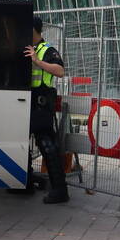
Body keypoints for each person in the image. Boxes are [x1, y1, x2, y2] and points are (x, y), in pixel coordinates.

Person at [25, 16, 68, 204]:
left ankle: (60, 190)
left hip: (41, 104)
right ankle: (24, 183)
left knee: (47, 146)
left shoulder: (46, 49)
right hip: (25, 101)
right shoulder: (26, 48)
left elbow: (60, 71)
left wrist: (38, 61)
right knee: (20, 143)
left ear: (33, 30)